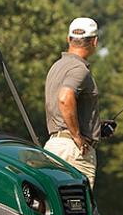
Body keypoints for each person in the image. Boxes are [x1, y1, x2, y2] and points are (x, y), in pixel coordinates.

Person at [44, 17, 103, 186]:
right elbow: (65, 98)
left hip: (55, 145)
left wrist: (97, 126)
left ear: (69, 39)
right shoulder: (79, 69)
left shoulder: (57, 66)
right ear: (95, 41)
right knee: (79, 209)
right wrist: (77, 136)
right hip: (73, 150)